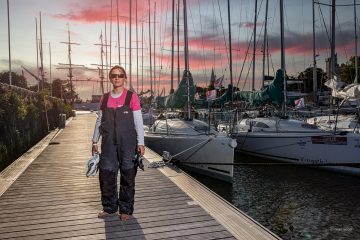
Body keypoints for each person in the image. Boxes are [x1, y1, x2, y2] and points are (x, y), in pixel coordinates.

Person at [92, 65, 145, 221]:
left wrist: (141, 143)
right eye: (114, 75)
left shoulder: (131, 97)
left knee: (128, 177)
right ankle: (109, 208)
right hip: (108, 144)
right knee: (107, 175)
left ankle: (125, 209)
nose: (117, 78)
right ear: (110, 78)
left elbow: (138, 122)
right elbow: (99, 120)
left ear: (124, 78)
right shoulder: (105, 98)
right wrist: (94, 141)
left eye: (120, 75)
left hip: (128, 144)